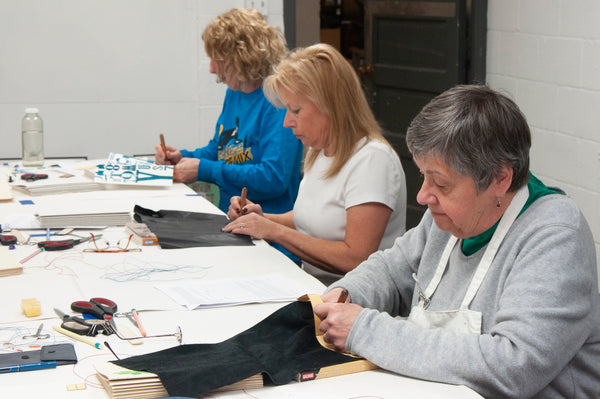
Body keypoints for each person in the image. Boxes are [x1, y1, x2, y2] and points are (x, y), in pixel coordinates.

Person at [313, 85, 600, 398]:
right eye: (424, 176)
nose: (423, 195)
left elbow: (513, 365)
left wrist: (365, 330)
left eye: (441, 183)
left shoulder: (555, 237)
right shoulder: (449, 218)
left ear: (500, 179)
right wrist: (345, 293)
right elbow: (392, 270)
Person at [224, 44, 407, 285]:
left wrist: (273, 231)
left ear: (330, 105)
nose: (287, 122)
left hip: (356, 302)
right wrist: (260, 218)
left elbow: (357, 258)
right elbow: (313, 218)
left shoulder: (372, 160)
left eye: (296, 110)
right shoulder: (321, 151)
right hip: (318, 286)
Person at [154, 8, 303, 218]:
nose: (212, 69)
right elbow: (221, 149)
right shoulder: (235, 93)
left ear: (241, 57)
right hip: (232, 219)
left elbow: (273, 178)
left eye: (217, 60)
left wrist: (204, 169)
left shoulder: (277, 101)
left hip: (270, 228)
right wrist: (182, 158)